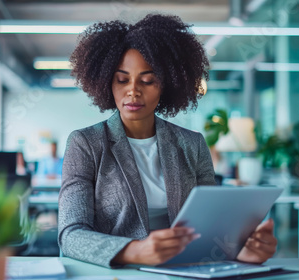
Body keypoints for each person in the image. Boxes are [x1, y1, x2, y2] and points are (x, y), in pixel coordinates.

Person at [58, 14, 277, 268]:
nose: (133, 90)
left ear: (166, 84)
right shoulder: (86, 144)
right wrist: (134, 251)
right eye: (122, 79)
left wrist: (239, 251)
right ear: (107, 82)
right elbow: (70, 236)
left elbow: (211, 228)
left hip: (183, 271)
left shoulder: (192, 145)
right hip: (117, 273)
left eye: (148, 80)